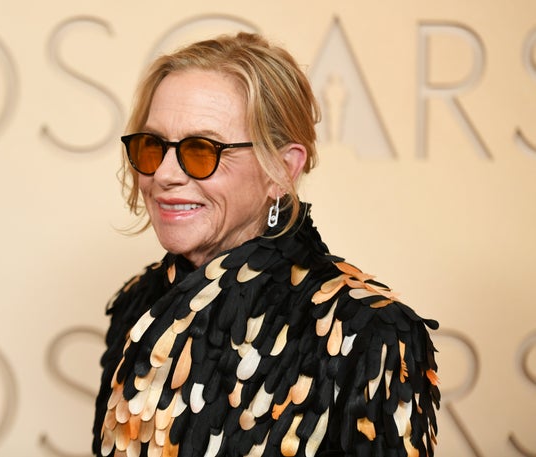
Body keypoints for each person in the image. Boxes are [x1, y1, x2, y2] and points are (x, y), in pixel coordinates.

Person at [93, 32, 440, 457]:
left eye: (201, 150)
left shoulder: (372, 333)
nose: (163, 175)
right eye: (152, 146)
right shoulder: (138, 302)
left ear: (282, 169)